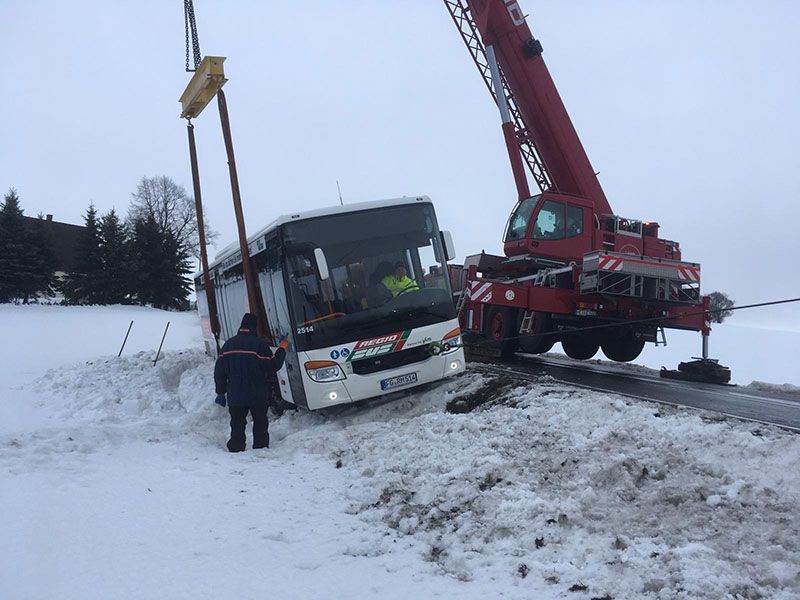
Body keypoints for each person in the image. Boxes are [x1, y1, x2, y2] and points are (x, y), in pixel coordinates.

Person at [213, 313, 289, 452]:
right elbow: (273, 365)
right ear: (254, 327)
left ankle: (236, 447)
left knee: (237, 424)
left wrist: (220, 392)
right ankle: (260, 448)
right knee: (260, 423)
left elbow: (219, 372)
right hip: (257, 394)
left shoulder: (228, 345)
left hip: (235, 394)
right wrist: (282, 349)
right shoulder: (259, 345)